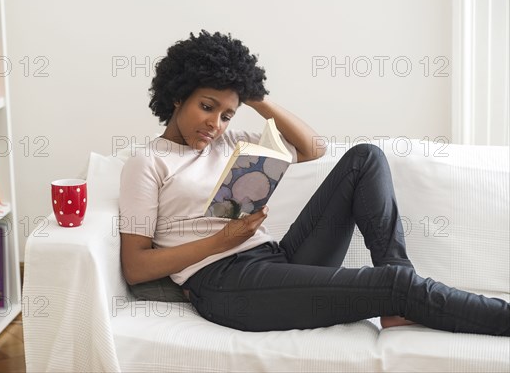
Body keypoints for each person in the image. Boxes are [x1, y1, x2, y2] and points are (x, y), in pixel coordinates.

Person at [119, 30, 510, 335]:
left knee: (364, 158)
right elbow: (136, 266)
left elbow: (312, 148)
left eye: (226, 115)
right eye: (207, 107)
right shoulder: (148, 162)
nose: (215, 124)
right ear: (176, 97)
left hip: (275, 259)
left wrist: (255, 98)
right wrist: (222, 241)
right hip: (224, 284)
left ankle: (399, 303)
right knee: (390, 284)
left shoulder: (232, 143)